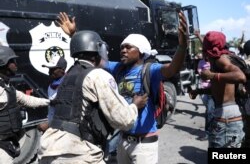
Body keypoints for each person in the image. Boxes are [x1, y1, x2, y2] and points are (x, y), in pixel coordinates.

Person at [56, 11, 187, 164]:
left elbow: (173, 68)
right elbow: (92, 58)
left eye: (128, 47)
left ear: (140, 51)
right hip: (122, 141)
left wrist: (183, 46)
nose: (123, 50)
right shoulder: (118, 68)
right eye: (122, 47)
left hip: (144, 144)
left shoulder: (150, 69)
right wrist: (75, 35)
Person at [38, 30, 148, 164]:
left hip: (50, 149)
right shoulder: (98, 75)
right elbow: (123, 120)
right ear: (99, 50)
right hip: (77, 153)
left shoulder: (69, 76)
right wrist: (135, 106)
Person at [0, 46, 50, 163]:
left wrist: (50, 102)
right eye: (12, 61)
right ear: (3, 63)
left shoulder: (6, 87)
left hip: (7, 143)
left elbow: (26, 100)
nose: (16, 65)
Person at [199, 31, 246, 148]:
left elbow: (241, 76)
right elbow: (221, 90)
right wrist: (199, 91)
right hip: (226, 116)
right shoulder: (217, 60)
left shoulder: (220, 59)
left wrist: (212, 76)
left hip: (227, 118)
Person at [38, 56, 67, 131]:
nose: (49, 72)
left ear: (62, 70)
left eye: (52, 69)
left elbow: (65, 112)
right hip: (54, 128)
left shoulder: (68, 85)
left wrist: (49, 124)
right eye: (49, 69)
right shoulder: (50, 87)